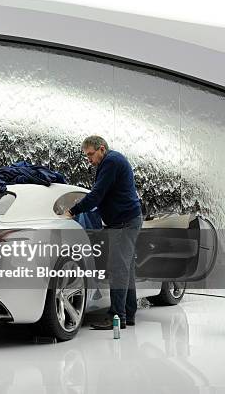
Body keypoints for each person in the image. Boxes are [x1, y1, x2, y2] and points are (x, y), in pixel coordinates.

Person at [64, 135, 142, 330]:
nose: (89, 159)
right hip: (127, 220)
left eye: (90, 154)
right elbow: (105, 196)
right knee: (126, 269)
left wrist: (72, 211)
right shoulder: (111, 161)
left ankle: (116, 317)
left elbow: (97, 195)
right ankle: (129, 314)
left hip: (124, 223)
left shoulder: (111, 162)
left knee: (118, 269)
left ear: (101, 149)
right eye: (86, 156)